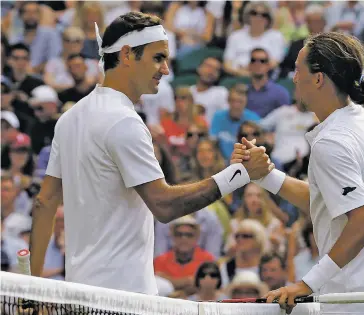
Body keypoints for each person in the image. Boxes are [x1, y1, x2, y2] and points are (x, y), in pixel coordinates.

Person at [29, 12, 272, 295]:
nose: (166, 69)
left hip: (81, 295)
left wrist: (32, 286)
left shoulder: (69, 119)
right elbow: (164, 205)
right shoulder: (125, 122)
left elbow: (44, 203)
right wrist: (239, 174)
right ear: (128, 55)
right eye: (158, 57)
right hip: (123, 300)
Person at [231, 32, 364, 315]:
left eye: (298, 70)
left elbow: (362, 222)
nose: (293, 79)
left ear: (318, 79)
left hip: (355, 308)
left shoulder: (331, 142)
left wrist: (306, 284)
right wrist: (266, 176)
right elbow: (331, 203)